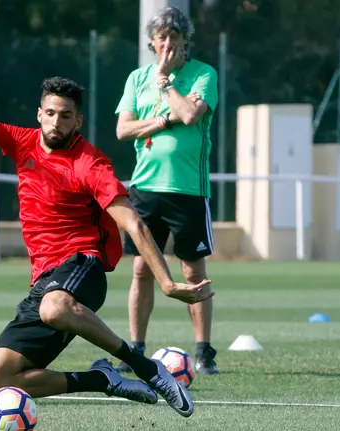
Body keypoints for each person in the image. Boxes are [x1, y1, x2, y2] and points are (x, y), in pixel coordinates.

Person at [0, 51, 214, 418]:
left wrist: (166, 283)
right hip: (45, 280)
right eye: (50, 113)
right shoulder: (22, 143)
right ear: (39, 115)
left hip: (84, 266)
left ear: (77, 121)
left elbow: (134, 223)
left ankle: (147, 367)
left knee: (54, 307)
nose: (56, 122)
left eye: (66, 116)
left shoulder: (90, 163)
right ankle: (101, 380)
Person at [114, 6, 220, 375]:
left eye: (175, 38)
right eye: (162, 39)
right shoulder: (135, 78)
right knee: (142, 269)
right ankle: (136, 348)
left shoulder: (203, 74)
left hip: (189, 189)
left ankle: (204, 351)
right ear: (151, 42)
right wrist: (162, 119)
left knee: (192, 272)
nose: (168, 45)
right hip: (144, 187)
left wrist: (166, 83)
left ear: (186, 41)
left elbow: (191, 115)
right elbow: (123, 130)